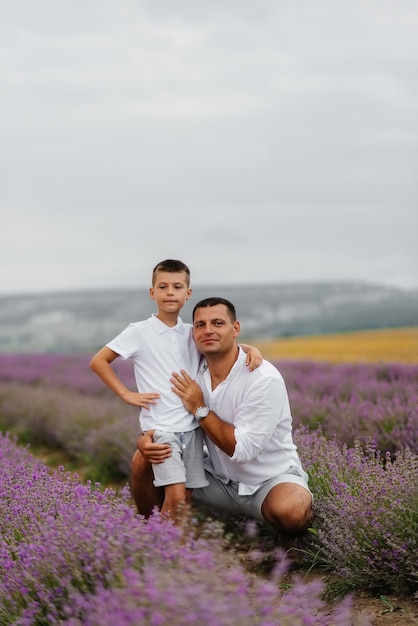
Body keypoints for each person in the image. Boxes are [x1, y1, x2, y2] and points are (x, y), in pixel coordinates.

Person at [90, 261, 262, 524]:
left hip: (193, 431)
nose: (170, 292)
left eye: (177, 286)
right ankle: (163, 551)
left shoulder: (191, 333)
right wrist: (127, 394)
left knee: (186, 500)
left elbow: (223, 342)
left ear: (187, 294)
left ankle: (170, 551)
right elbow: (99, 361)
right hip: (162, 430)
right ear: (152, 293)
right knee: (177, 496)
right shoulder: (139, 331)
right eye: (163, 286)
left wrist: (251, 349)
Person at [131, 296, 313, 544]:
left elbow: (242, 450)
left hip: (267, 481)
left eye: (217, 323)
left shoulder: (261, 379)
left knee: (292, 512)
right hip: (214, 477)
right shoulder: (192, 369)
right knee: (144, 459)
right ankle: (151, 540)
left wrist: (199, 407)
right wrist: (145, 440)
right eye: (200, 325)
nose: (208, 331)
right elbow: (163, 415)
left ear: (235, 328)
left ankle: (292, 545)